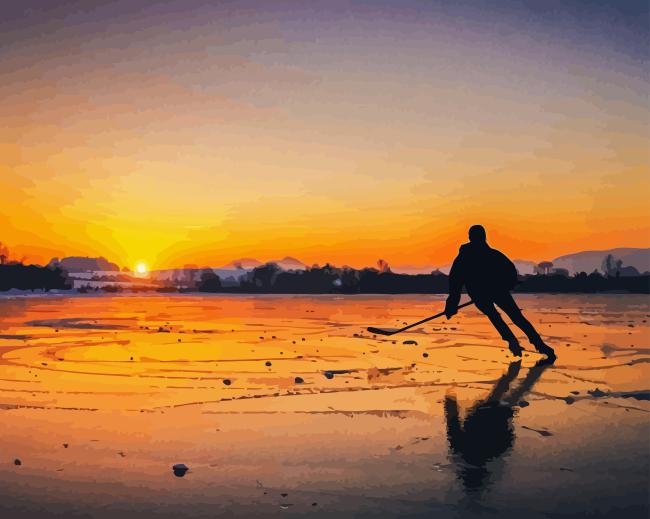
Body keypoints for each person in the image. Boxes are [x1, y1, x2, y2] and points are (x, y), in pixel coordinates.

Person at [444, 225, 555, 359]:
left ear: (470, 237)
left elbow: (455, 282)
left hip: (493, 291)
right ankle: (522, 343)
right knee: (509, 317)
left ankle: (533, 344)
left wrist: (452, 305)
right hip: (483, 294)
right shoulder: (484, 255)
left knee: (507, 317)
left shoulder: (480, 256)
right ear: (483, 237)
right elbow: (455, 280)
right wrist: (452, 304)